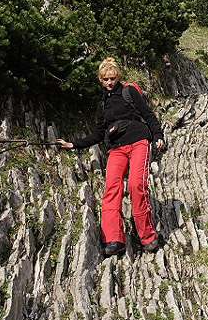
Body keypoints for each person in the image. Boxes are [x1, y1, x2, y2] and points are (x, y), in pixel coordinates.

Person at [57, 57, 165, 257]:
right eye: (106, 79)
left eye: (113, 78)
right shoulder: (102, 106)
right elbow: (98, 134)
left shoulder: (129, 92)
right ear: (100, 79)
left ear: (118, 77)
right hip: (116, 148)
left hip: (139, 141)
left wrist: (157, 136)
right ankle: (114, 239)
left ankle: (148, 237)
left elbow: (148, 114)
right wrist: (73, 144)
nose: (109, 82)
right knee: (111, 189)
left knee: (135, 185)